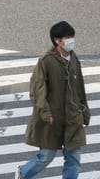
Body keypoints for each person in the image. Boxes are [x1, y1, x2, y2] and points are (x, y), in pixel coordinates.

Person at [16, 21, 91, 179]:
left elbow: (79, 87)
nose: (71, 40)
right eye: (67, 37)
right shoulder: (46, 61)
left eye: (72, 36)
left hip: (72, 117)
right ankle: (23, 173)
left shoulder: (73, 58)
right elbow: (37, 89)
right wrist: (45, 112)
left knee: (74, 158)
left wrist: (84, 111)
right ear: (57, 40)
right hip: (52, 118)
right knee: (46, 156)